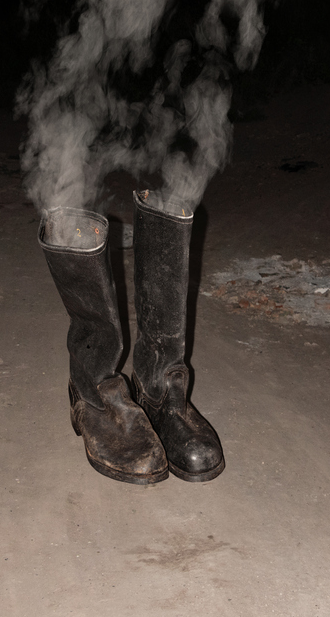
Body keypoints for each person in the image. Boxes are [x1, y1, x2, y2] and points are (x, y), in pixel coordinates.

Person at [39, 189, 225, 485]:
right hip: (94, 397)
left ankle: (158, 389)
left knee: (166, 217)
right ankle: (91, 395)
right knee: (74, 225)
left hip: (161, 391)